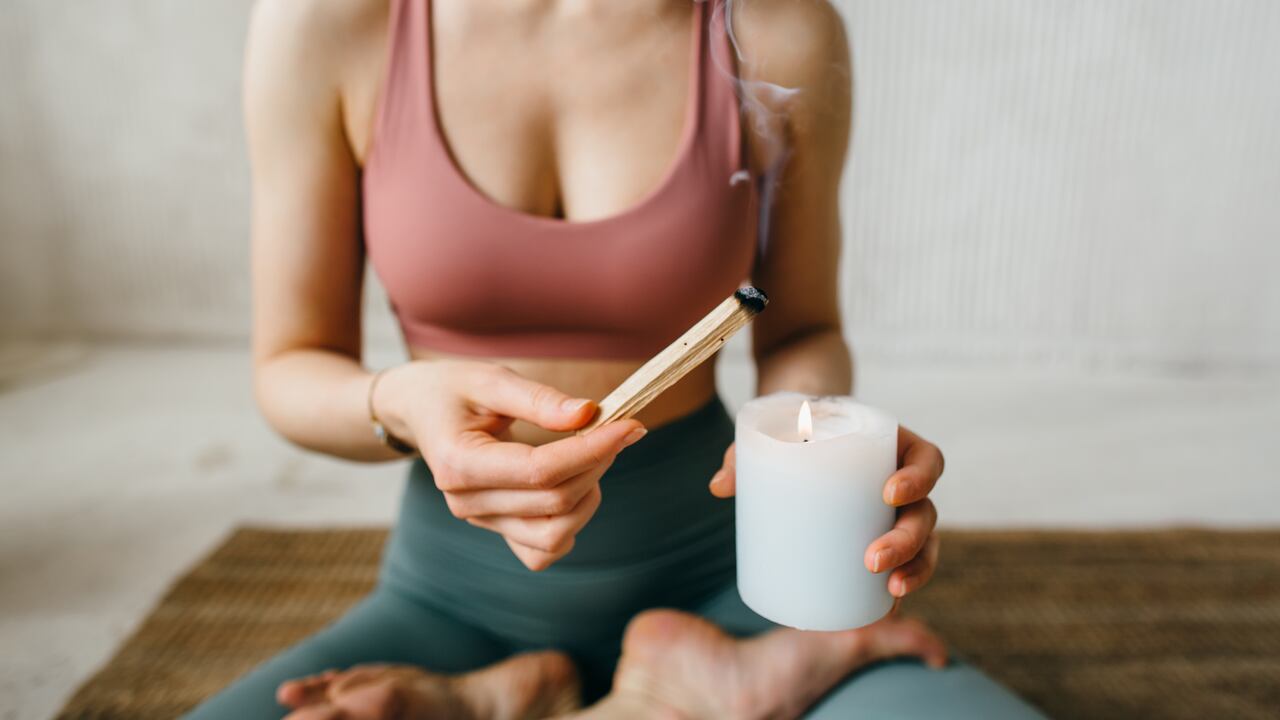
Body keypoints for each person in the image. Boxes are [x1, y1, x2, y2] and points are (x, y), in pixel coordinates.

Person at [189, 0, 1045, 717]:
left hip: (736, 591)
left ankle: (525, 703)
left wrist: (821, 455)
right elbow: (292, 366)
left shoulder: (776, 27)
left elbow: (804, 331)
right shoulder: (333, 23)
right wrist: (402, 401)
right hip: (449, 605)